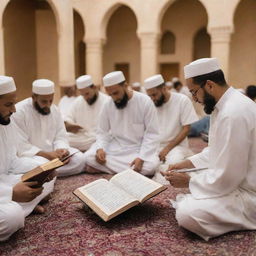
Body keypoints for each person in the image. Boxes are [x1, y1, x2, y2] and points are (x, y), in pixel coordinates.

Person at [161, 58, 256, 240]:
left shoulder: (233, 113)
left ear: (210, 85)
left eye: (194, 92)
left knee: (187, 214)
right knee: (191, 200)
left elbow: (229, 177)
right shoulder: (222, 107)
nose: (195, 99)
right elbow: (216, 151)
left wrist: (189, 182)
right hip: (235, 184)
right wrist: (186, 163)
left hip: (248, 193)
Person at [0, 76, 55, 241]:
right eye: (8, 105)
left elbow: (12, 161)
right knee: (12, 217)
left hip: (3, 179)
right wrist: (10, 193)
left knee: (44, 178)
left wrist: (41, 169)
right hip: (3, 188)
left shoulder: (5, 123)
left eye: (14, 103)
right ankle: (22, 207)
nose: (14, 110)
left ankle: (23, 204)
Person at [85, 71, 160, 175]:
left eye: (116, 93)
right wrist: (100, 148)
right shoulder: (108, 104)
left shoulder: (145, 102)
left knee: (150, 166)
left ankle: (108, 169)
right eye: (110, 94)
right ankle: (130, 172)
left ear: (125, 86)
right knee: (89, 157)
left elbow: (152, 134)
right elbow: (102, 132)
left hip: (138, 149)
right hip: (116, 147)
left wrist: (142, 157)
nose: (114, 98)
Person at [13, 79, 86, 177]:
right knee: (36, 165)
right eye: (44, 101)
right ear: (34, 97)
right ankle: (47, 172)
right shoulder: (19, 111)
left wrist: (62, 150)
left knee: (80, 159)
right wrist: (47, 155)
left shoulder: (54, 110)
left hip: (54, 155)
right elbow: (21, 145)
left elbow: (60, 136)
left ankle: (47, 174)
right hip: (34, 156)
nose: (48, 105)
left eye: (50, 100)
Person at [144, 74, 198, 184]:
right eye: (150, 96)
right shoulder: (151, 103)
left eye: (154, 95)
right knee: (144, 166)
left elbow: (186, 128)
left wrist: (167, 149)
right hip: (156, 147)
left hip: (176, 147)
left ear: (164, 88)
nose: (152, 99)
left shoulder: (182, 100)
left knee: (172, 166)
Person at [64, 75, 109, 152]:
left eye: (87, 94)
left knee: (99, 141)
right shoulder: (78, 101)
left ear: (94, 88)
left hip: (98, 138)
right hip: (82, 137)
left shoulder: (107, 101)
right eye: (82, 95)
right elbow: (68, 118)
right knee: (63, 139)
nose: (85, 98)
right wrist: (70, 125)